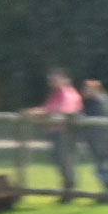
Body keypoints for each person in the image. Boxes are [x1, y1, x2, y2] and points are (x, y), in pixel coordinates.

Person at [27, 68, 83, 200]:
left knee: (65, 161)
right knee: (60, 161)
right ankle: (66, 190)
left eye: (54, 79)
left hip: (64, 134)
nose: (51, 82)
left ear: (64, 79)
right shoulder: (55, 94)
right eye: (50, 80)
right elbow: (48, 107)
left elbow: (64, 110)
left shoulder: (68, 94)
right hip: (56, 132)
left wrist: (42, 113)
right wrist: (38, 111)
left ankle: (69, 192)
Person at [80, 79, 108, 192]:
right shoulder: (102, 100)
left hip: (102, 141)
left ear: (96, 89)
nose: (85, 92)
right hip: (103, 140)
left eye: (88, 89)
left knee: (103, 167)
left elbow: (98, 118)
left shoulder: (99, 101)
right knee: (106, 167)